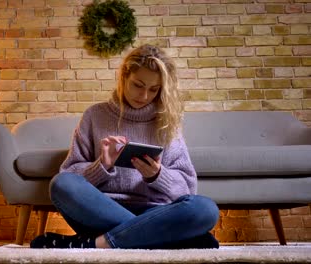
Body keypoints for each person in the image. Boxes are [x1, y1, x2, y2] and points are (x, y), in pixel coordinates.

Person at [30, 44, 220, 249]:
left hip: (155, 213)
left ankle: (98, 244)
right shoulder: (95, 115)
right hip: (100, 212)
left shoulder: (167, 121)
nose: (145, 95)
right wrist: (102, 165)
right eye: (138, 85)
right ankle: (164, 239)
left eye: (154, 89)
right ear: (124, 77)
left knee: (205, 209)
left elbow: (187, 189)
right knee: (61, 184)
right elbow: (70, 175)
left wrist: (157, 175)